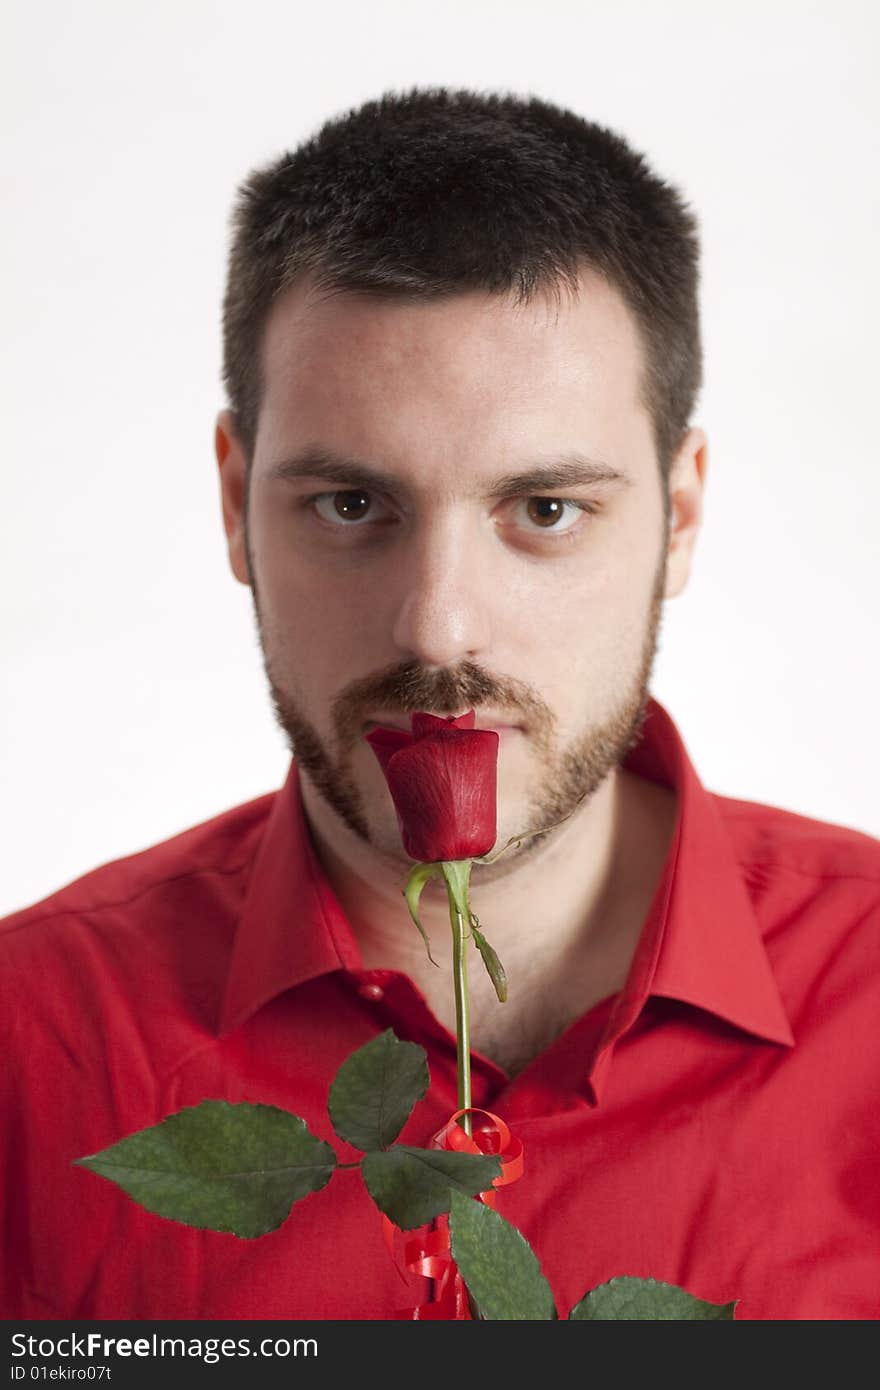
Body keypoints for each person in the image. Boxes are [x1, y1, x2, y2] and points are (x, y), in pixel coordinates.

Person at [1, 86, 877, 1323]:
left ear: (678, 515)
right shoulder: (32, 1043)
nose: (437, 626)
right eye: (353, 507)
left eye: (546, 510)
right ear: (235, 501)